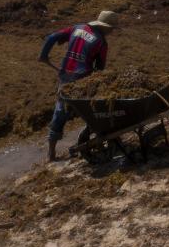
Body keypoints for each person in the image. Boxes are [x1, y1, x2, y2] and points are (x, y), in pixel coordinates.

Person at [38, 10, 119, 161]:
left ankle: (51, 153)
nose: (112, 32)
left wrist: (44, 56)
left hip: (65, 77)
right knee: (91, 110)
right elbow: (100, 69)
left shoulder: (77, 28)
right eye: (112, 29)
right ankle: (98, 137)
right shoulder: (101, 42)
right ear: (107, 27)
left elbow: (51, 37)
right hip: (82, 80)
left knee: (60, 111)